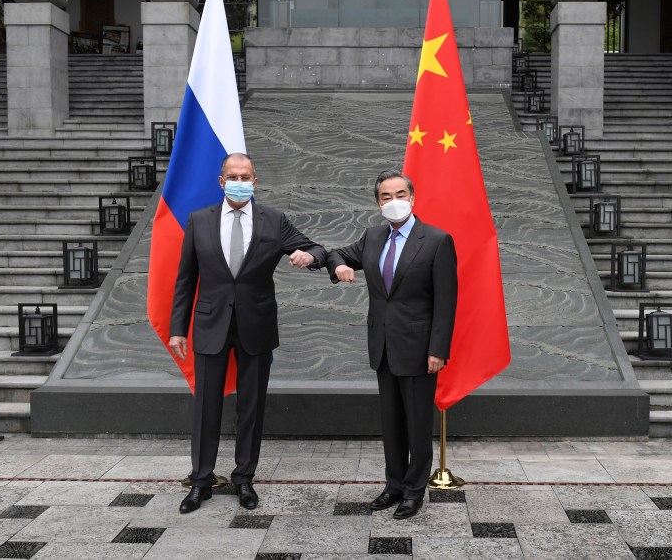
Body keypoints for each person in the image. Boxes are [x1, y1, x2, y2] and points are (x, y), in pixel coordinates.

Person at [169, 153, 326, 514]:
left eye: (246, 176)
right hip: (210, 324)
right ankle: (201, 480)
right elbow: (185, 278)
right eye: (232, 175)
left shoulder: (274, 220)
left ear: (255, 181)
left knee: (250, 405)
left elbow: (314, 247)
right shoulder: (199, 221)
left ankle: (244, 479)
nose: (239, 180)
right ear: (221, 181)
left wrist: (309, 257)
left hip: (256, 325)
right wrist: (179, 328)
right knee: (206, 405)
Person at [326, 170, 457, 519]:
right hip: (383, 347)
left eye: (400, 194)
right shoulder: (372, 237)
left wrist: (438, 350)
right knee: (392, 423)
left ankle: (415, 491)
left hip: (419, 350)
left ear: (413, 198)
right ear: (378, 203)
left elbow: (446, 301)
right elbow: (338, 253)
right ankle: (394, 484)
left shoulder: (436, 240)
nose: (393, 201)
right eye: (386, 196)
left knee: (416, 424)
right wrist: (338, 266)